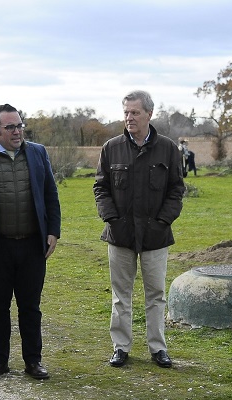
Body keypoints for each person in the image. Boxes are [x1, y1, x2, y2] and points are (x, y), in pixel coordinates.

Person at [0, 104, 61, 381]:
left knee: (31, 307)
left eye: (20, 125)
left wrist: (53, 231)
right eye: (10, 127)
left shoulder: (37, 152)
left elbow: (50, 194)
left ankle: (33, 361)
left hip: (32, 246)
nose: (17, 132)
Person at [93, 90, 184, 369]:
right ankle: (121, 347)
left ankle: (158, 349)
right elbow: (101, 188)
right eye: (126, 112)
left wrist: (161, 223)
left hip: (156, 236)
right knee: (121, 296)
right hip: (120, 236)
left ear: (149, 114)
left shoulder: (168, 149)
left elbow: (176, 190)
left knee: (156, 294)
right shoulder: (112, 148)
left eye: (134, 112)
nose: (129, 118)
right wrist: (113, 220)